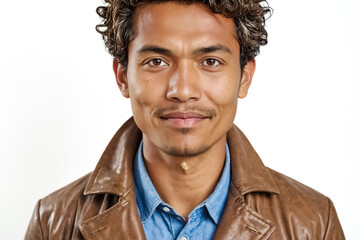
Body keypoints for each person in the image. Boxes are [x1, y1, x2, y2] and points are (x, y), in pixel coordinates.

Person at [25, 0, 345, 239]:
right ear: (122, 76)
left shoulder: (314, 222)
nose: (183, 90)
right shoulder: (53, 222)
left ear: (244, 77)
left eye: (210, 61)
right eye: (156, 61)